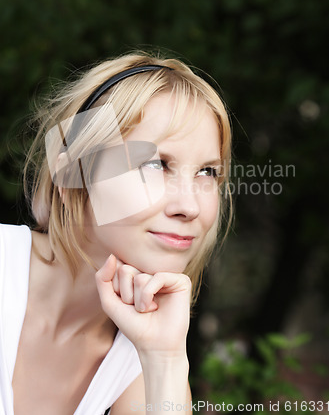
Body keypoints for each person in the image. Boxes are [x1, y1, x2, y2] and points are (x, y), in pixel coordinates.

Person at [0, 52, 232, 415]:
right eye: (157, 164)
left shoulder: (141, 358)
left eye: (207, 173)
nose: (190, 206)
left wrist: (165, 359)